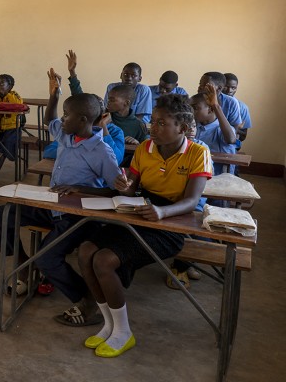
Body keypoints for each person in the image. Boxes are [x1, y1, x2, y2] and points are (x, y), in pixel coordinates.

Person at [78, 94, 212, 358]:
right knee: (85, 251)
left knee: (104, 260)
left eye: (162, 123)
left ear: (182, 128)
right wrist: (123, 186)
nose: (153, 128)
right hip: (140, 213)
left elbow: (191, 201)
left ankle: (124, 332)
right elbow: (132, 190)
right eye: (153, 122)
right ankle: (109, 324)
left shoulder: (198, 153)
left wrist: (162, 211)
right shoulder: (144, 149)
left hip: (171, 223)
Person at [0, 68, 121, 323]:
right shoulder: (66, 134)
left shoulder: (102, 151)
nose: (61, 119)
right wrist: (54, 95)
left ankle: (88, 299)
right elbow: (48, 118)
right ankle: (26, 268)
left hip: (78, 215)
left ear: (83, 120)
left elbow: (114, 190)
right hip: (53, 204)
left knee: (49, 257)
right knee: (1, 214)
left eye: (67, 115)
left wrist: (81, 189)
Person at [55, 51, 125, 165]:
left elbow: (115, 159)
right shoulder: (75, 129)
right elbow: (49, 151)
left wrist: (103, 127)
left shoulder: (115, 131)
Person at [191, 88, 237, 175]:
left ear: (211, 110)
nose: (191, 111)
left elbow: (231, 139)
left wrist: (216, 106)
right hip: (195, 171)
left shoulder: (221, 129)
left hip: (217, 176)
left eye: (195, 108)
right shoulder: (194, 127)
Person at [106, 85, 147, 166]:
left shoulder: (138, 125)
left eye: (112, 100)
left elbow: (145, 150)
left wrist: (137, 143)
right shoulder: (104, 119)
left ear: (126, 103)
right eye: (108, 99)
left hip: (126, 165)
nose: (108, 102)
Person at [222, 72, 251, 148]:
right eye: (226, 86)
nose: (229, 90)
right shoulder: (212, 103)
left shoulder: (242, 107)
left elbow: (243, 136)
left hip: (230, 146)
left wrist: (234, 129)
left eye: (233, 88)